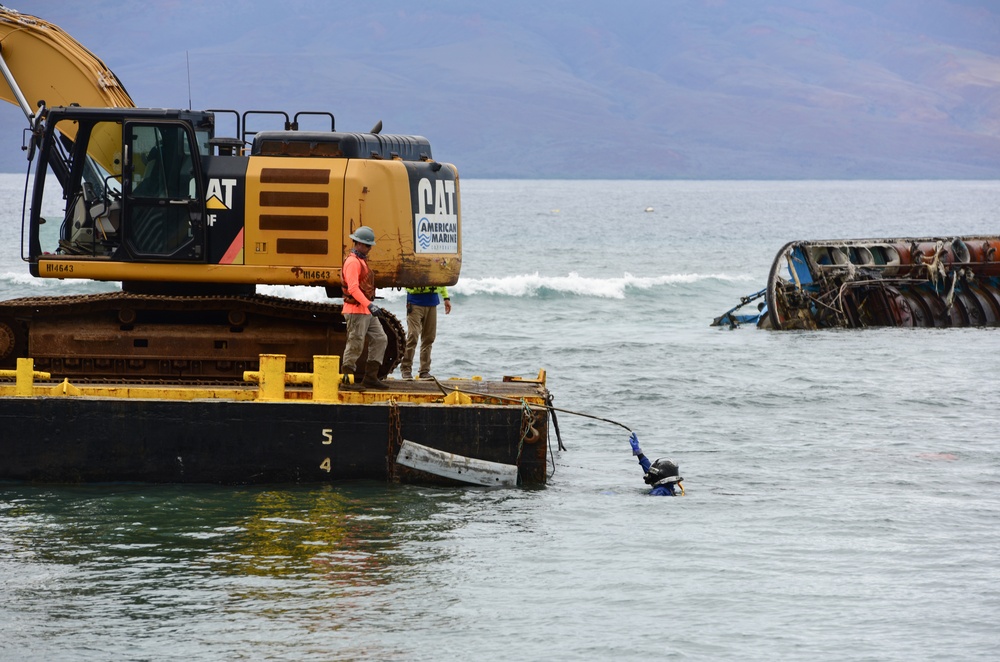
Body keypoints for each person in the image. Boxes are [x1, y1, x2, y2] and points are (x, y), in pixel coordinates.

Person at [341, 226, 388, 389]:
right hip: (356, 311)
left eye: (370, 246)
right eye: (368, 246)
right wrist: (370, 305)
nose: (369, 249)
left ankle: (370, 377)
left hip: (365, 310)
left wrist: (369, 306)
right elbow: (353, 289)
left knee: (380, 338)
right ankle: (347, 381)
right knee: (355, 343)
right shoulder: (353, 262)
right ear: (359, 244)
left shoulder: (361, 261)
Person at [399, 286, 451, 380]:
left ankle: (424, 371)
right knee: (413, 335)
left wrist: (446, 298)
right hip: (415, 303)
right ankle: (406, 368)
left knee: (429, 337)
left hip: (432, 303)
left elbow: (441, 279)